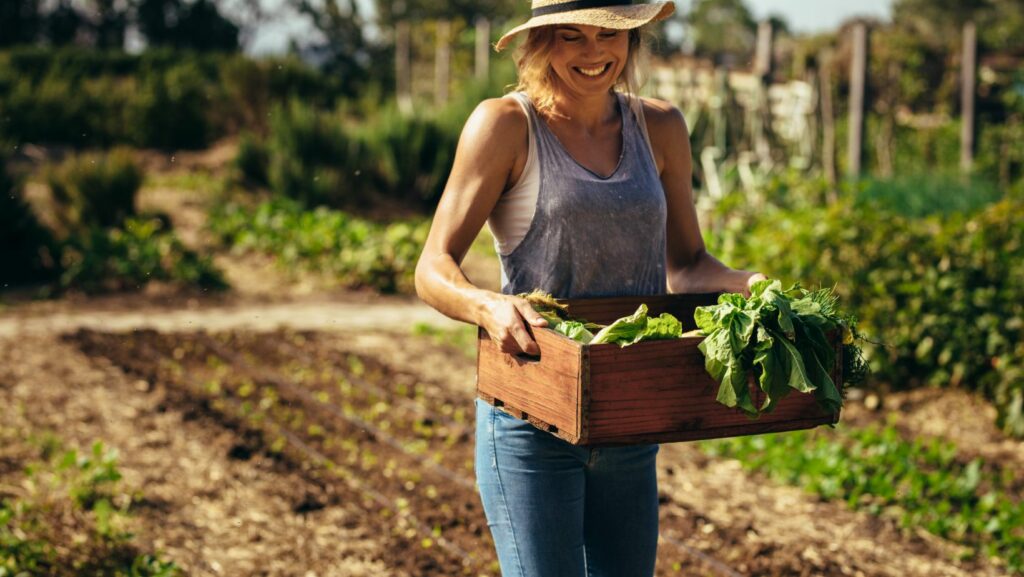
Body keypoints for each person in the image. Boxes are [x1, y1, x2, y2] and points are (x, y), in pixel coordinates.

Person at [414, 1, 766, 574]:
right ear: (541, 43)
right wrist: (488, 306)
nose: (594, 52)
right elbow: (432, 267)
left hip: (627, 413)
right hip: (531, 416)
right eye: (572, 36)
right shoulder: (505, 125)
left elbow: (689, 263)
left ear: (633, 40)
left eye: (610, 34)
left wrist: (753, 285)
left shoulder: (661, 127)